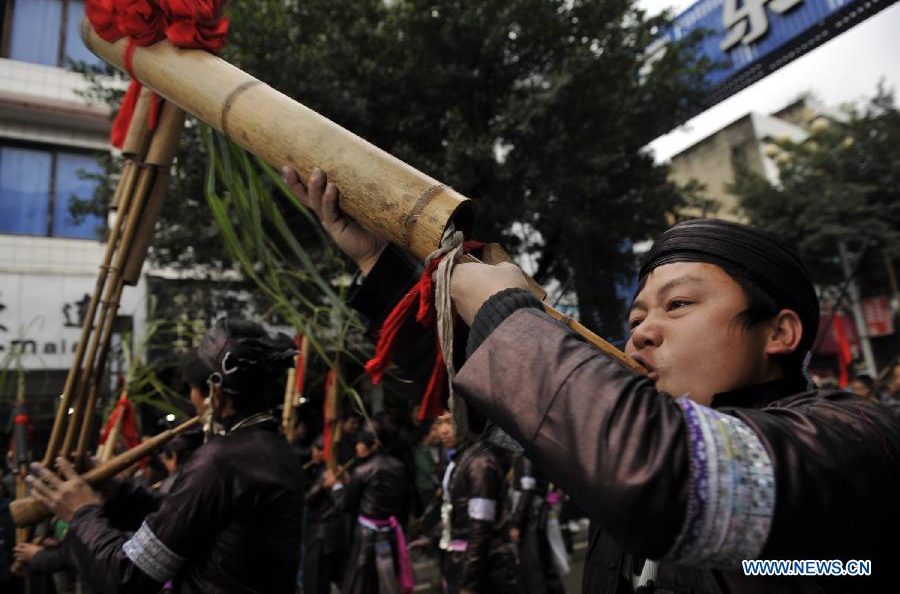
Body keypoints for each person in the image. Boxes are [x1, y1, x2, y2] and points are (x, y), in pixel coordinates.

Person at [284, 166, 900, 593]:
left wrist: (508, 314)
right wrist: (376, 260)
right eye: (636, 317)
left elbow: (664, 475)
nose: (641, 333)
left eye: (677, 305)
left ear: (780, 333)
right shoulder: (625, 432)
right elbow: (509, 394)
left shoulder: (854, 440)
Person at [25, 318, 305, 593]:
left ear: (215, 395)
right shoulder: (277, 451)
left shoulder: (221, 460)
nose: (192, 399)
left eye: (193, 390)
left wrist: (80, 514)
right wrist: (118, 493)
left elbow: (129, 576)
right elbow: (187, 517)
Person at [434, 415, 518, 594]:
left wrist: (468, 583)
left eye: (449, 421)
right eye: (439, 423)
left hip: (485, 569)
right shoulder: (460, 459)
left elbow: (481, 528)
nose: (443, 430)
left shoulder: (479, 464)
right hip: (464, 562)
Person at [330, 420, 412, 594]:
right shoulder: (398, 466)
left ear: (374, 445)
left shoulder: (363, 470)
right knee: (389, 580)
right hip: (391, 530)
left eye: (362, 443)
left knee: (363, 582)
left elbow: (345, 504)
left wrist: (336, 487)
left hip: (367, 536)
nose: (358, 447)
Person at [511, 455, 566, 594]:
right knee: (546, 568)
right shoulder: (534, 453)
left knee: (537, 571)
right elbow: (557, 492)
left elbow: (528, 489)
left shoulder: (526, 455)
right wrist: (548, 504)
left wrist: (517, 524)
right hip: (539, 519)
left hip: (532, 522)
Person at [302, 435, 347, 594]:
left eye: (319, 450)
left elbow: (308, 499)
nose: (315, 453)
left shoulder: (329, 473)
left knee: (317, 580)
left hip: (321, 535)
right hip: (325, 532)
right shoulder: (318, 468)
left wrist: (323, 485)